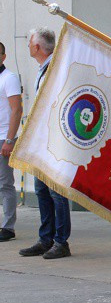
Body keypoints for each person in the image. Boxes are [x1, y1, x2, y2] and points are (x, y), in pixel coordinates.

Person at [19, 28, 72, 259]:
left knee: (56, 192)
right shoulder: (44, 69)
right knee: (41, 189)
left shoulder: (54, 69)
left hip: (53, 141)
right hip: (41, 139)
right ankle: (46, 238)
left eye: (30, 42)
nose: (28, 46)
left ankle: (61, 242)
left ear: (38, 47)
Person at [0, 42, 22, 243]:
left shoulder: (9, 79)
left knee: (5, 184)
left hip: (2, 139)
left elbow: (17, 110)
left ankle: (8, 227)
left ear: (3, 57)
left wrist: (9, 140)